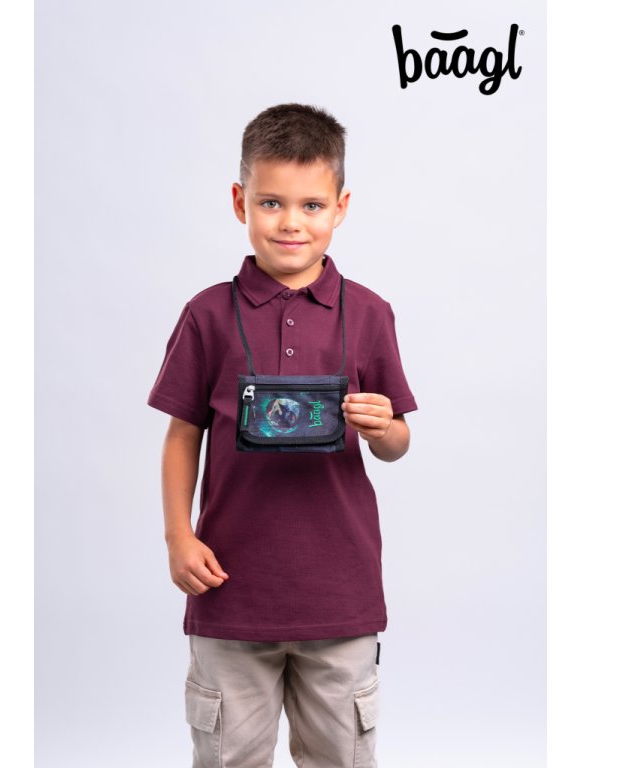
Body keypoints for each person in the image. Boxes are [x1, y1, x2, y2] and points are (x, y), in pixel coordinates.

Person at [147, 103, 417, 768]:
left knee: (340, 757)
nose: (291, 222)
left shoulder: (371, 313)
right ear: (240, 202)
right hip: (229, 591)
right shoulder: (207, 314)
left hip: (341, 594)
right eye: (271, 203)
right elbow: (182, 435)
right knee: (229, 758)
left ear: (340, 208)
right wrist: (178, 535)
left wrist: (384, 427)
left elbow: (397, 442)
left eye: (311, 205)